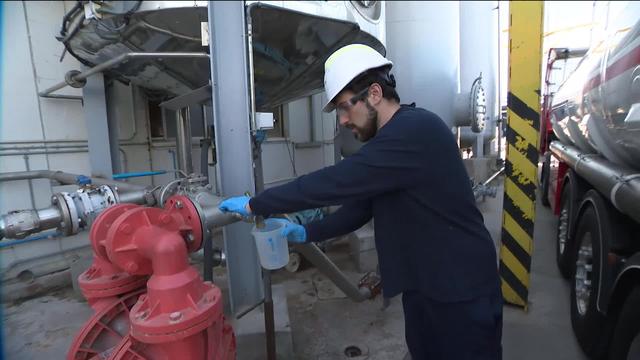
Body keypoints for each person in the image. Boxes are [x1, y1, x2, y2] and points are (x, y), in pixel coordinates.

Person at [219, 44, 502, 360]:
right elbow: (360, 209)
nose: (341, 120)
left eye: (344, 107)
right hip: (426, 288)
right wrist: (306, 233)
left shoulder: (414, 131)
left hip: (460, 292)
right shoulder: (393, 144)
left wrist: (257, 204)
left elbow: (334, 182)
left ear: (375, 94)